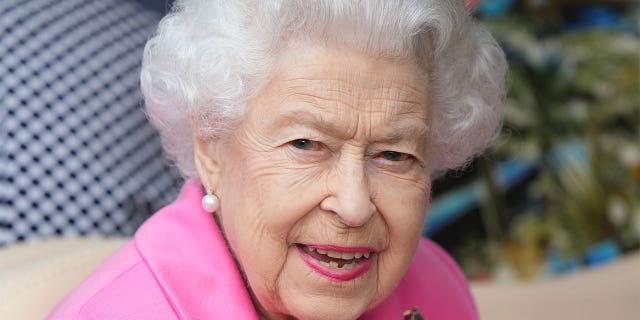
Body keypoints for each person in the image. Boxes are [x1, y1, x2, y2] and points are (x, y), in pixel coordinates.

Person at [47, 0, 506, 319]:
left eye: (393, 154)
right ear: (210, 145)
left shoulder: (437, 287)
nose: (354, 205)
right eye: (306, 145)